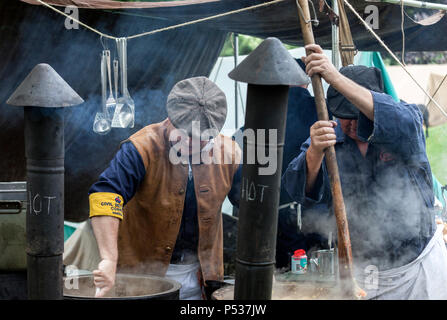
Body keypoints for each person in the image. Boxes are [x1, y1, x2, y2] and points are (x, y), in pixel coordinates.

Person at [282, 44, 447, 299]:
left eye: (356, 114)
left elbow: (402, 120)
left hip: (417, 268)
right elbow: (296, 188)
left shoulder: (405, 123)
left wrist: (333, 76)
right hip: (362, 271)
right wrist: (314, 151)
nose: (348, 123)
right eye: (342, 115)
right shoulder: (330, 135)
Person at [88, 76, 242, 300]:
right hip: (141, 281)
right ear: (170, 118)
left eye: (199, 138)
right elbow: (105, 194)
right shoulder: (141, 148)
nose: (188, 142)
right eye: (184, 133)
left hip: (202, 282)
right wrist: (109, 259)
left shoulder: (230, 153)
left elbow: (254, 204)